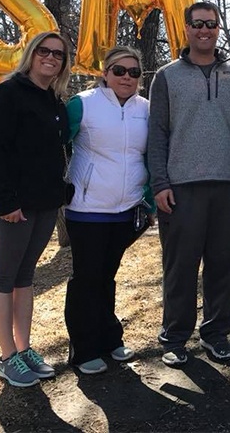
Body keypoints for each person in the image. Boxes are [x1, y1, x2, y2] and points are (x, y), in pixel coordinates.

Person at [148, 2, 230, 367]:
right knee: (180, 266)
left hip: (225, 186)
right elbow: (157, 133)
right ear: (187, 28)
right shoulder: (166, 76)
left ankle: (216, 334)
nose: (205, 30)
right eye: (198, 24)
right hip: (181, 187)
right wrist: (159, 182)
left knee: (223, 265)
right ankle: (175, 337)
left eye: (211, 24)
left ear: (218, 28)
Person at [0, 31, 71, 387]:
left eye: (58, 55)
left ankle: (24, 349)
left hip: (46, 203)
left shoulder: (55, 101)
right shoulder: (7, 93)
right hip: (12, 205)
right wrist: (7, 200)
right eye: (44, 51)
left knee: (25, 277)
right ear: (31, 55)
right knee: (5, 277)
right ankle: (6, 357)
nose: (50, 58)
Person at [64, 46, 154, 375]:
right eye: (119, 70)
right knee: (87, 279)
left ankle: (109, 338)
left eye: (134, 72)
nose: (126, 77)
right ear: (105, 73)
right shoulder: (82, 105)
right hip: (87, 209)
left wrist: (148, 195)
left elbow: (150, 156)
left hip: (127, 209)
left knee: (107, 278)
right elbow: (55, 144)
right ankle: (83, 348)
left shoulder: (145, 109)